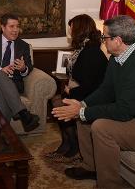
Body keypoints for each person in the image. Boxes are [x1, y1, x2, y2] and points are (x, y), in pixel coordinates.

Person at [52, 15, 135, 188]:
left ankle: (108, 185)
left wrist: (81, 112)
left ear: (117, 40)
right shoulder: (118, 58)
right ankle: (91, 167)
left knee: (101, 127)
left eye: (105, 37)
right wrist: (83, 105)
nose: (102, 40)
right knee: (84, 117)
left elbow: (124, 110)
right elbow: (106, 90)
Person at [46, 14, 108, 163]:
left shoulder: (91, 52)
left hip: (95, 96)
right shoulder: (84, 49)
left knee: (59, 103)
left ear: (80, 29)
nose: (70, 32)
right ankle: (67, 143)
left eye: (72, 29)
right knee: (56, 102)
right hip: (86, 90)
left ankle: (74, 147)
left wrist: (70, 91)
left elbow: (91, 86)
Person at [0, 13, 39, 132]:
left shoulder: (24, 46)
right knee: (1, 74)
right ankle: (23, 112)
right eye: (11, 26)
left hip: (11, 85)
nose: (15, 30)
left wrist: (23, 68)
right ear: (3, 27)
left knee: (2, 92)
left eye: (17, 26)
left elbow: (29, 67)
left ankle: (2, 134)